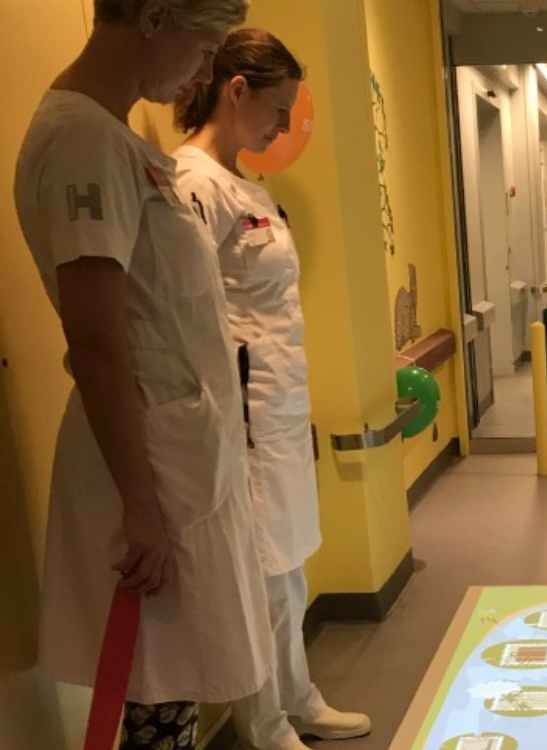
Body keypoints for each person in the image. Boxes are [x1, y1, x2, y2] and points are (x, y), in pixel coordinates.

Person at [13, 1, 273, 748]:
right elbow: (95, 339)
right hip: (150, 474)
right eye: (206, 47)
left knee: (172, 693)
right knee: (158, 694)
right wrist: (140, 507)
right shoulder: (81, 142)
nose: (205, 70)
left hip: (179, 463)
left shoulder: (115, 141)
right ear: (154, 17)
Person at [172, 28, 371, 750]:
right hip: (239, 422)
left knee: (288, 570)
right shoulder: (191, 185)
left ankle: (300, 697)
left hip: (279, 414)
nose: (285, 127)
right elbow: (186, 314)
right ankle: (265, 725)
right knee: (256, 579)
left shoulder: (250, 186)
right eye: (278, 109)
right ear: (236, 91)